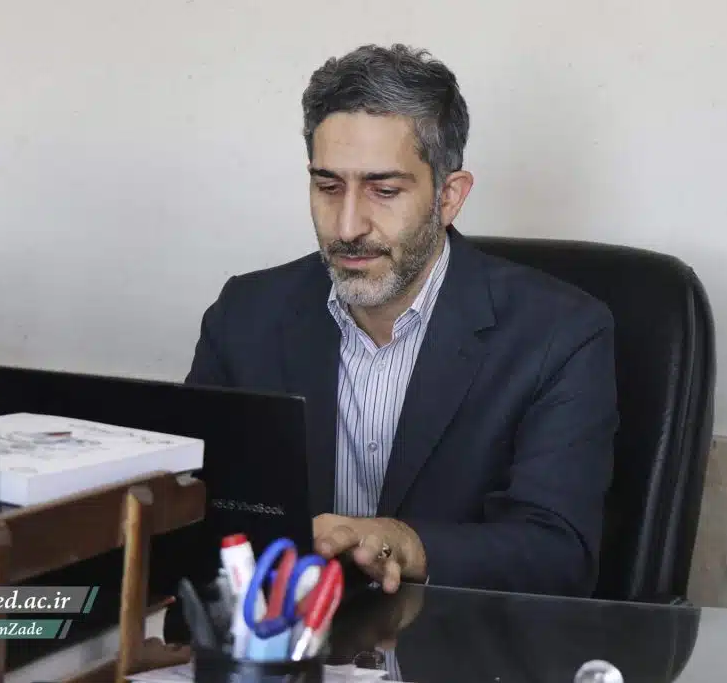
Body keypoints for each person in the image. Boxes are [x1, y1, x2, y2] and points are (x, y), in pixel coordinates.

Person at [186, 44, 618, 596]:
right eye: (328, 187)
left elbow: (558, 553)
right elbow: (190, 506)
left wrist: (407, 545)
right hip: (283, 630)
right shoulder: (245, 315)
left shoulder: (561, 334)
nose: (347, 226)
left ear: (449, 197)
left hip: (461, 638)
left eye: (384, 191)